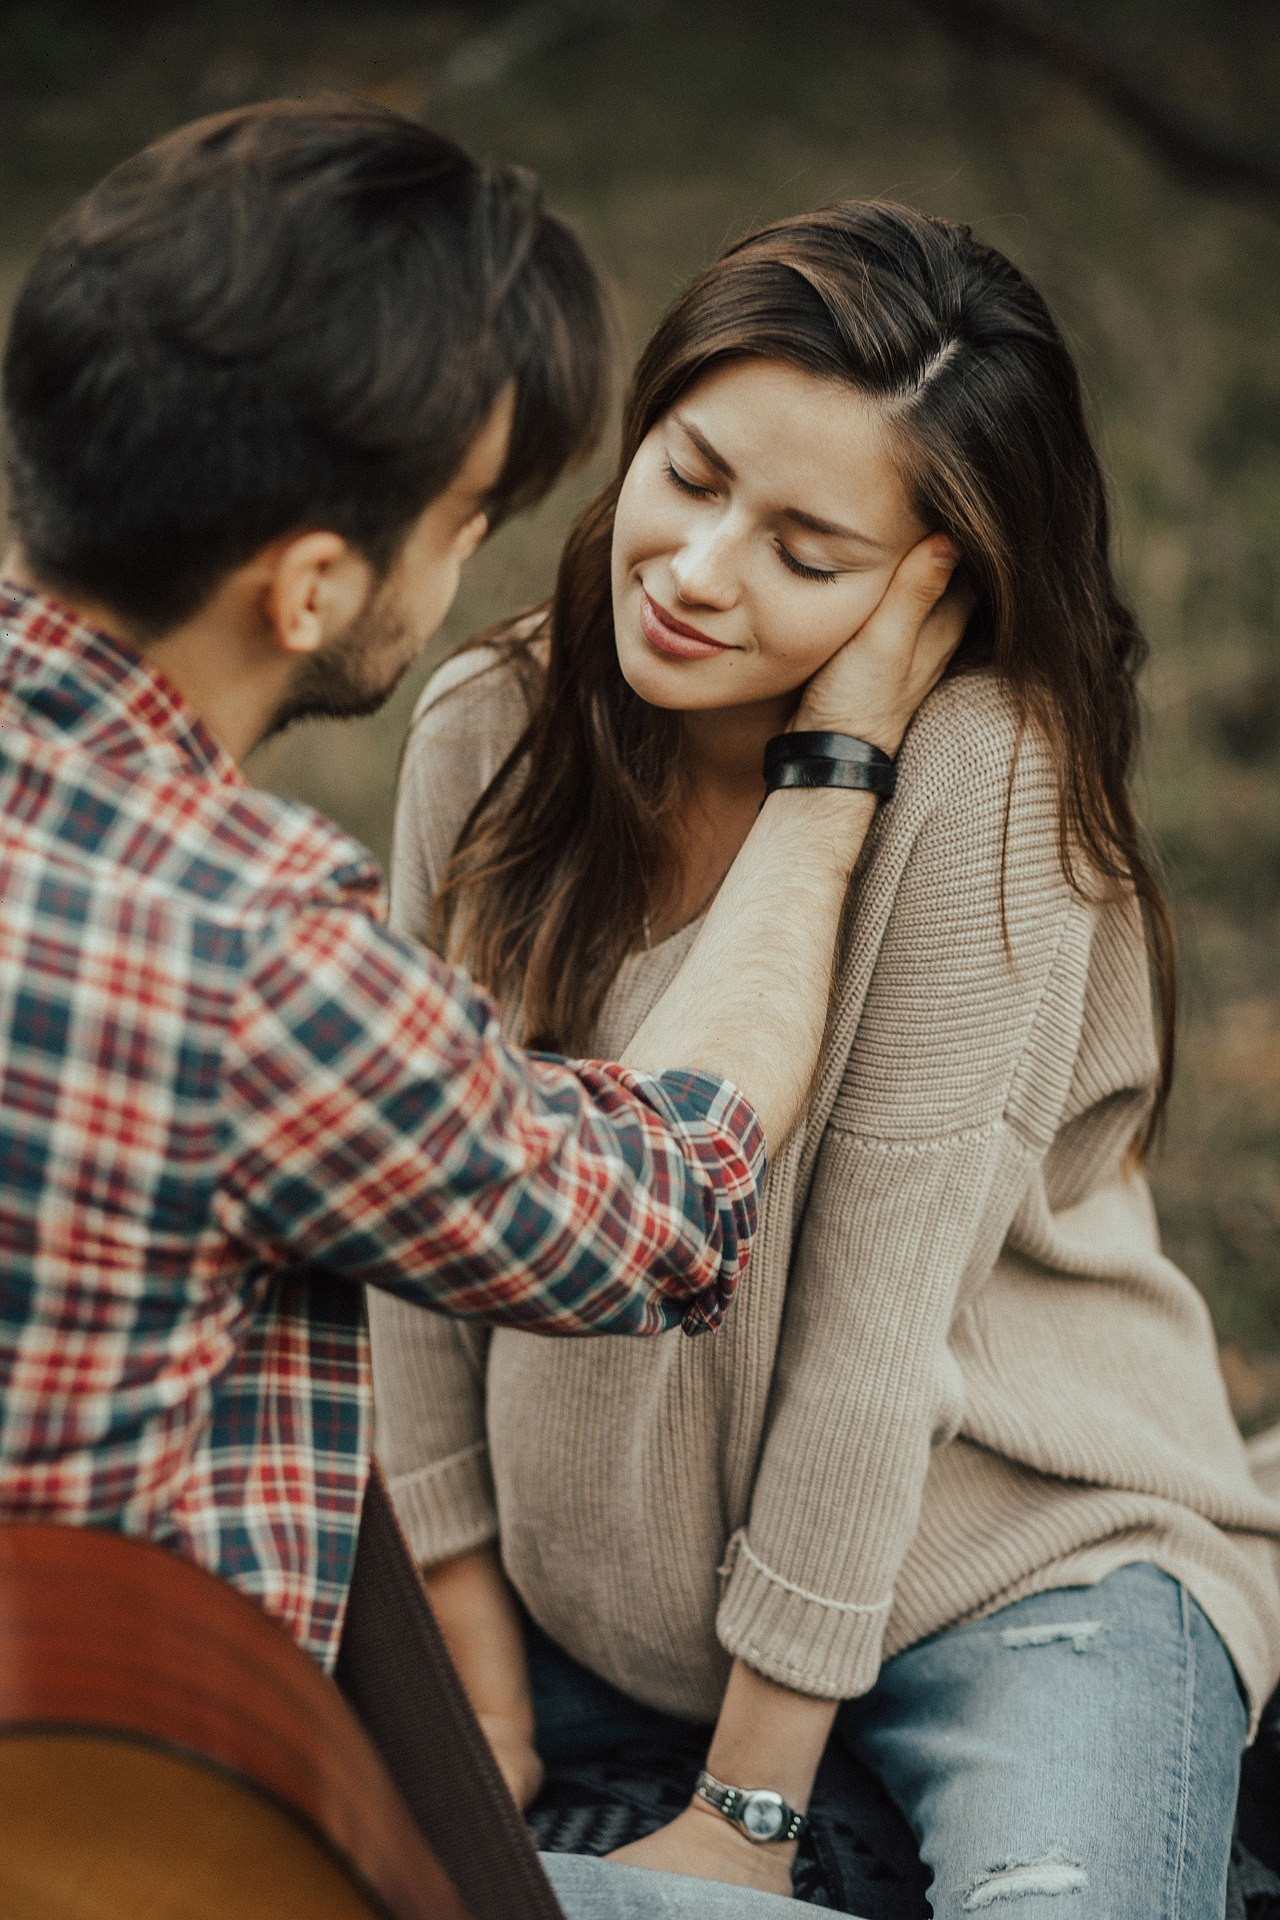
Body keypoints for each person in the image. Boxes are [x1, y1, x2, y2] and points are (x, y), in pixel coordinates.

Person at [0, 103, 964, 1920]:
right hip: (120, 1820)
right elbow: (671, 1208)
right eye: (460, 523)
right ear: (314, 587)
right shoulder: (243, 955)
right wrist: (833, 779)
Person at [371, 199, 1280, 1918]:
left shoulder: (985, 785)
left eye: (808, 551)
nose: (701, 571)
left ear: (933, 586)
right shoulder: (490, 732)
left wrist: (746, 1815)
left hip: (1014, 1570)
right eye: (692, 475)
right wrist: (478, 1687)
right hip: (599, 1622)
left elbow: (872, 1337)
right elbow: (415, 1260)